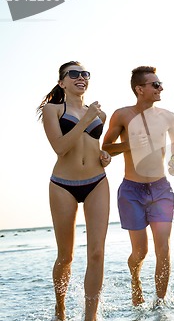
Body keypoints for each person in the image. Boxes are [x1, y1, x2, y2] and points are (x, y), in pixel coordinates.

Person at [36, 61, 111, 321]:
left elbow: (94, 145)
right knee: (65, 256)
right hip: (63, 185)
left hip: (97, 182)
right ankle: (61, 308)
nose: (81, 77)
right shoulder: (52, 110)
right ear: (62, 82)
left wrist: (104, 154)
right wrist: (86, 119)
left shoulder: (100, 113)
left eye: (85, 74)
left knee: (97, 252)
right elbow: (60, 147)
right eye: (75, 74)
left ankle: (90, 316)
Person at [102, 66, 174, 308]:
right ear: (140, 89)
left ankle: (160, 304)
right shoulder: (122, 115)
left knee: (163, 249)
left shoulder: (168, 116)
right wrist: (130, 144)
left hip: (161, 190)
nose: (161, 88)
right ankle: (135, 281)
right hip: (131, 191)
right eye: (155, 85)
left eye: (160, 84)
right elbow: (105, 149)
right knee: (140, 252)